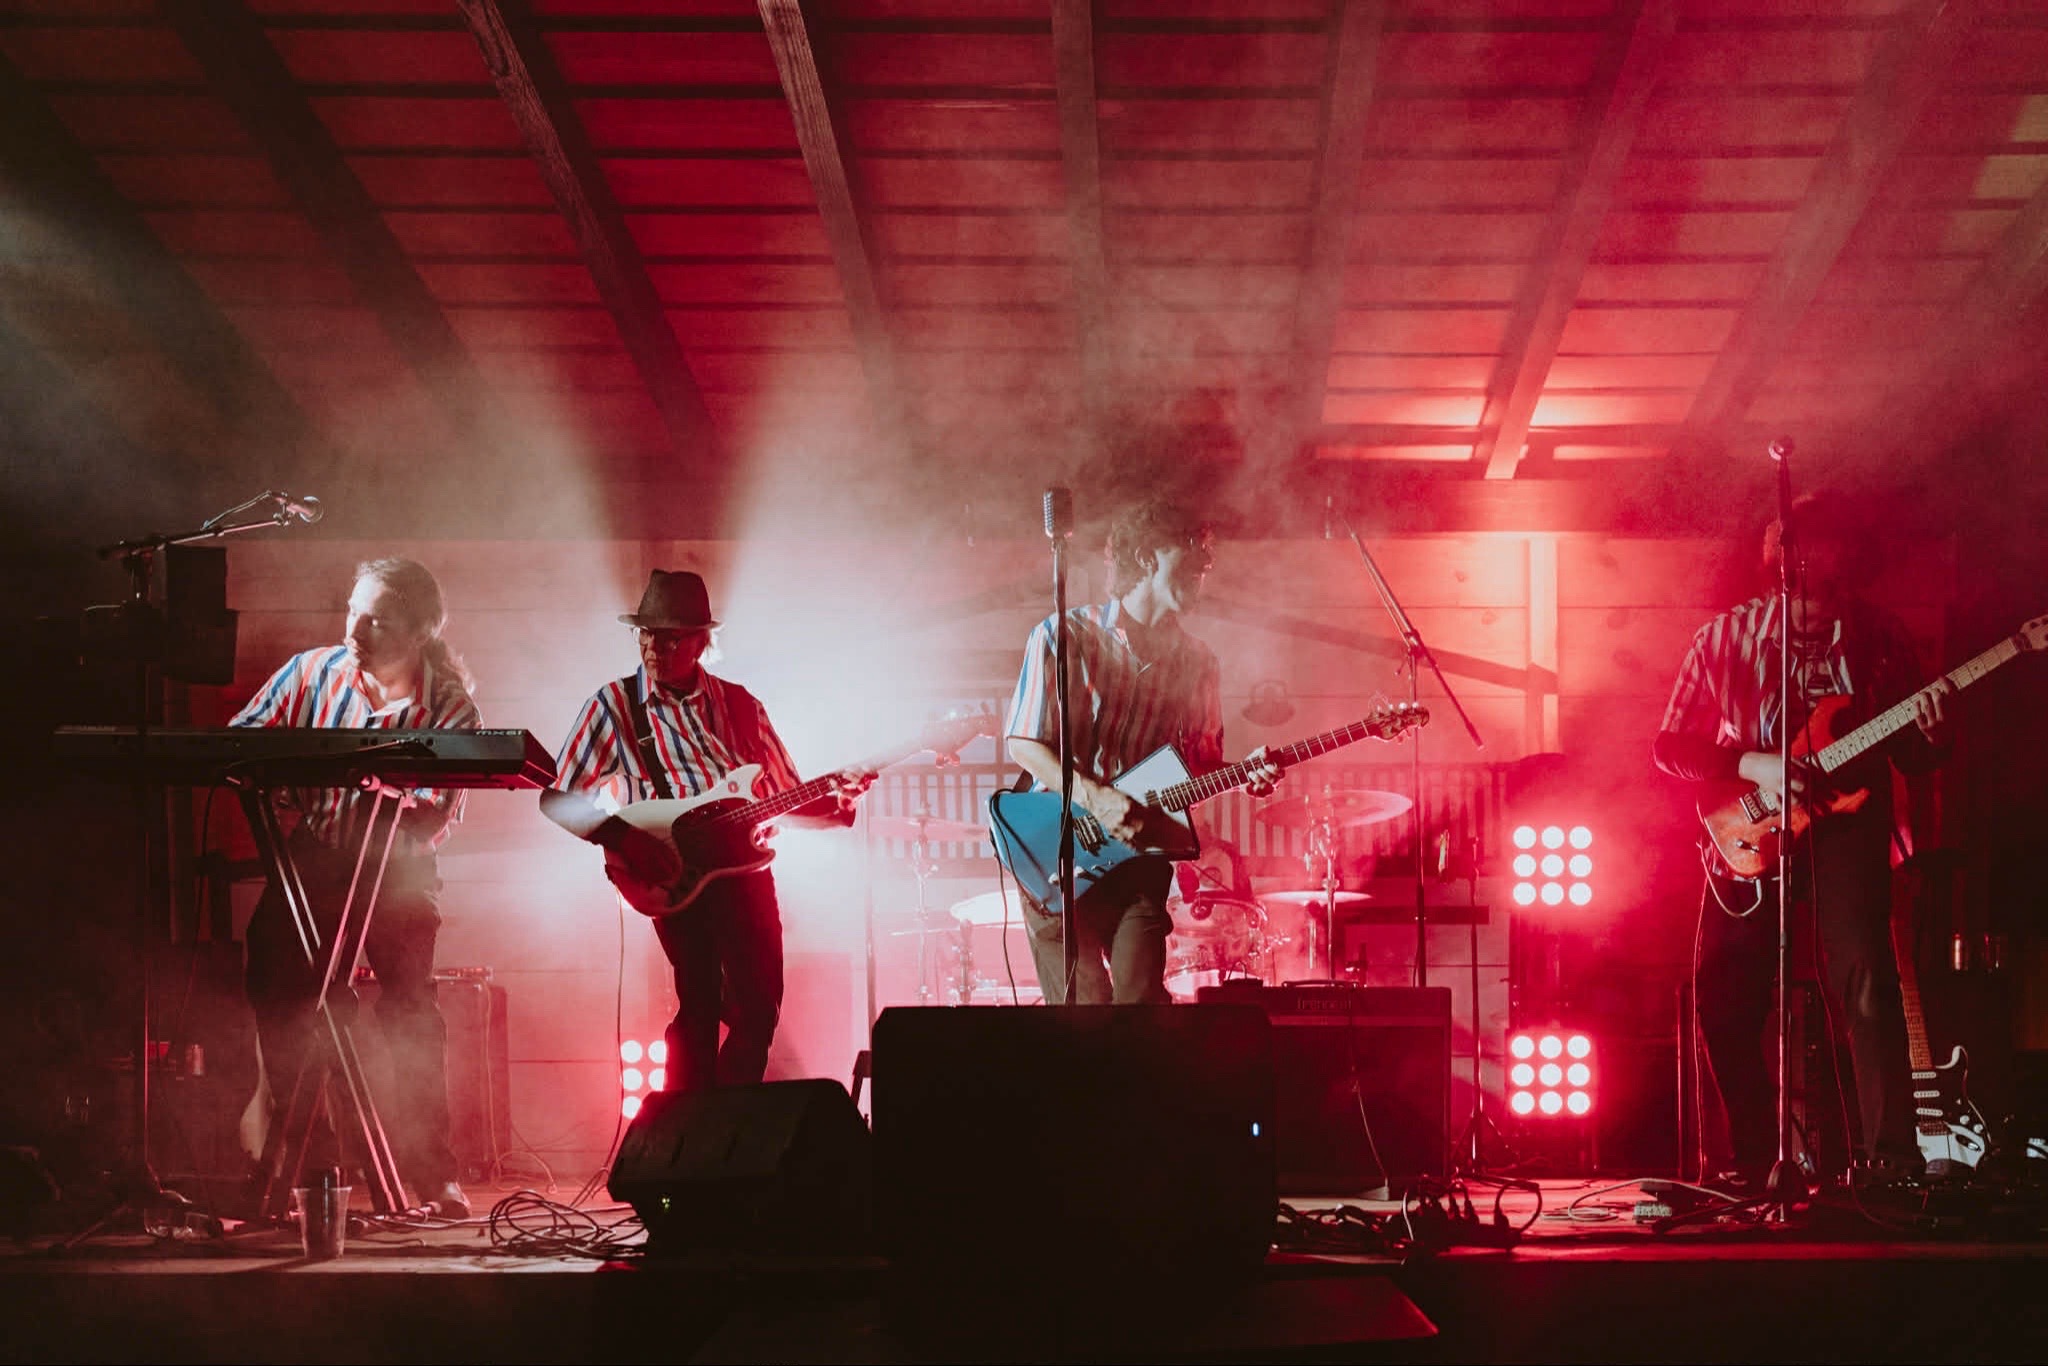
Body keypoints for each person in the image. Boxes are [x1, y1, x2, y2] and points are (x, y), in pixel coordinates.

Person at [1652, 491, 1954, 1189]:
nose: (1820, 614)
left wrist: (1934, 734)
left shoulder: (1880, 636)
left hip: (1847, 823)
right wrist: (1750, 763)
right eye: (1807, 598)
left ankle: (1887, 1162)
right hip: (1748, 823)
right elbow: (1668, 747)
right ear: (1779, 571)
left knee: (1868, 983)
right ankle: (1748, 1162)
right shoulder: (1723, 640)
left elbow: (1912, 751)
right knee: (1724, 995)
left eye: (1834, 596)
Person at [539, 570, 868, 1093]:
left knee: (759, 1009)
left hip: (746, 872)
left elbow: (783, 798)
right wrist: (623, 838)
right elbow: (557, 797)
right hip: (675, 869)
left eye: (670, 638)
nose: (654, 648)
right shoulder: (615, 706)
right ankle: (686, 1142)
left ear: (700, 641)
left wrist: (839, 805)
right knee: (698, 1007)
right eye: (646, 634)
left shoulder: (741, 706)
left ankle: (725, 1136)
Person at [232, 556, 478, 1218]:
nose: (357, 630)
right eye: (353, 613)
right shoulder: (312, 672)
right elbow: (241, 743)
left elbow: (430, 813)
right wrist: (283, 779)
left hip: (396, 868)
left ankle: (434, 1177)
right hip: (317, 858)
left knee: (409, 1011)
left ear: (420, 631)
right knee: (276, 978)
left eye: (378, 620)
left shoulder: (450, 709)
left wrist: (372, 789)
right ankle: (308, 1167)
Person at [1003, 499, 1281, 1005]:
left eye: (1207, 557)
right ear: (1148, 557)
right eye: (1192, 552)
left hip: (1140, 855)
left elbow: (1196, 763)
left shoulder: (1199, 662)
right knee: (1083, 1013)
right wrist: (1097, 798)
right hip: (1056, 852)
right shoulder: (1063, 635)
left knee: (1141, 1009)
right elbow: (1024, 742)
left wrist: (1244, 772)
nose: (1204, 566)